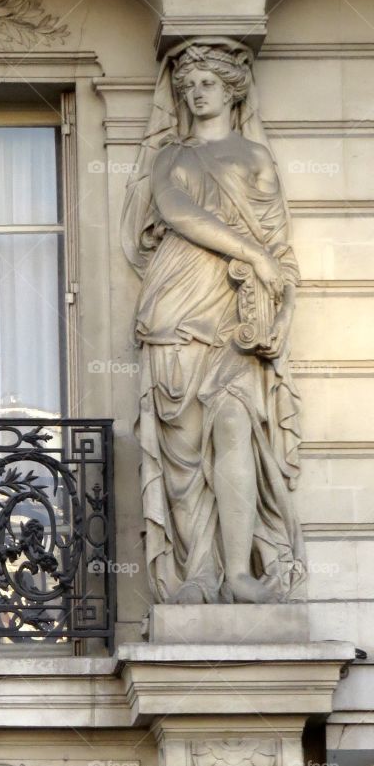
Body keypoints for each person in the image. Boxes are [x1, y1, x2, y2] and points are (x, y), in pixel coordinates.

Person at [121, 38, 305, 605]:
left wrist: (279, 295)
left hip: (233, 318)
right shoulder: (171, 158)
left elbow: (280, 249)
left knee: (234, 429)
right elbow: (179, 213)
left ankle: (238, 573)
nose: (197, 92)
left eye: (208, 83)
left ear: (232, 90)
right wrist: (250, 254)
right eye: (189, 85)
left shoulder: (255, 159)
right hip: (175, 309)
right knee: (185, 451)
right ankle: (195, 572)